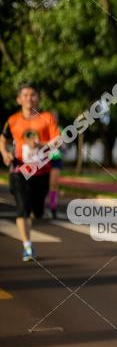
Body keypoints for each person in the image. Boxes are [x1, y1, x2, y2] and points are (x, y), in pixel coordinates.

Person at [1, 82, 61, 261]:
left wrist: (40, 144)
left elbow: (58, 141)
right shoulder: (12, 120)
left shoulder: (47, 118)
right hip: (19, 170)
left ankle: (38, 209)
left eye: (33, 94)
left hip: (42, 172)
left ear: (38, 98)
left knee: (37, 211)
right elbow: (2, 139)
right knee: (22, 208)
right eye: (25, 95)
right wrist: (5, 154)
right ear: (19, 99)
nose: (29, 98)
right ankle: (27, 246)